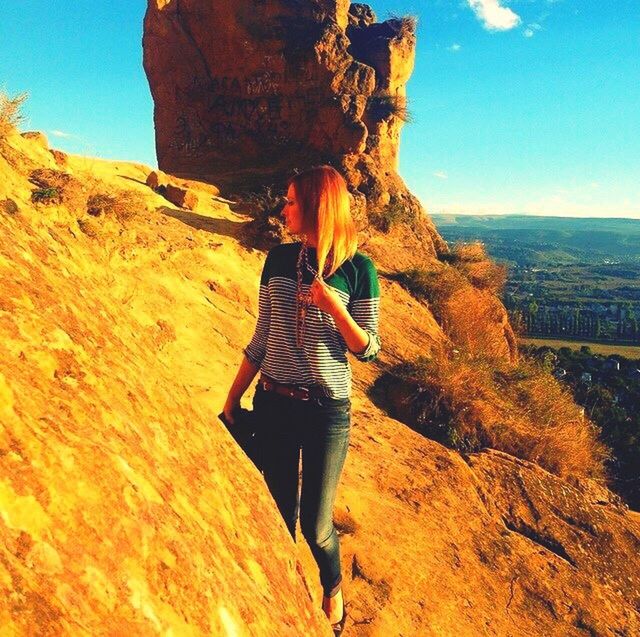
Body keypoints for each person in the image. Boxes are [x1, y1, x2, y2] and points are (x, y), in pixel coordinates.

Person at [222, 165, 381, 636]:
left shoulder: (359, 269)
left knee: (316, 524)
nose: (284, 208)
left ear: (317, 207)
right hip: (273, 403)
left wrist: (335, 307)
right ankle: (282, 602)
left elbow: (369, 349)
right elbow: (263, 336)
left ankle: (332, 586)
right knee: (277, 515)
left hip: (325, 412)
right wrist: (234, 397)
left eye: (291, 201)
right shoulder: (277, 260)